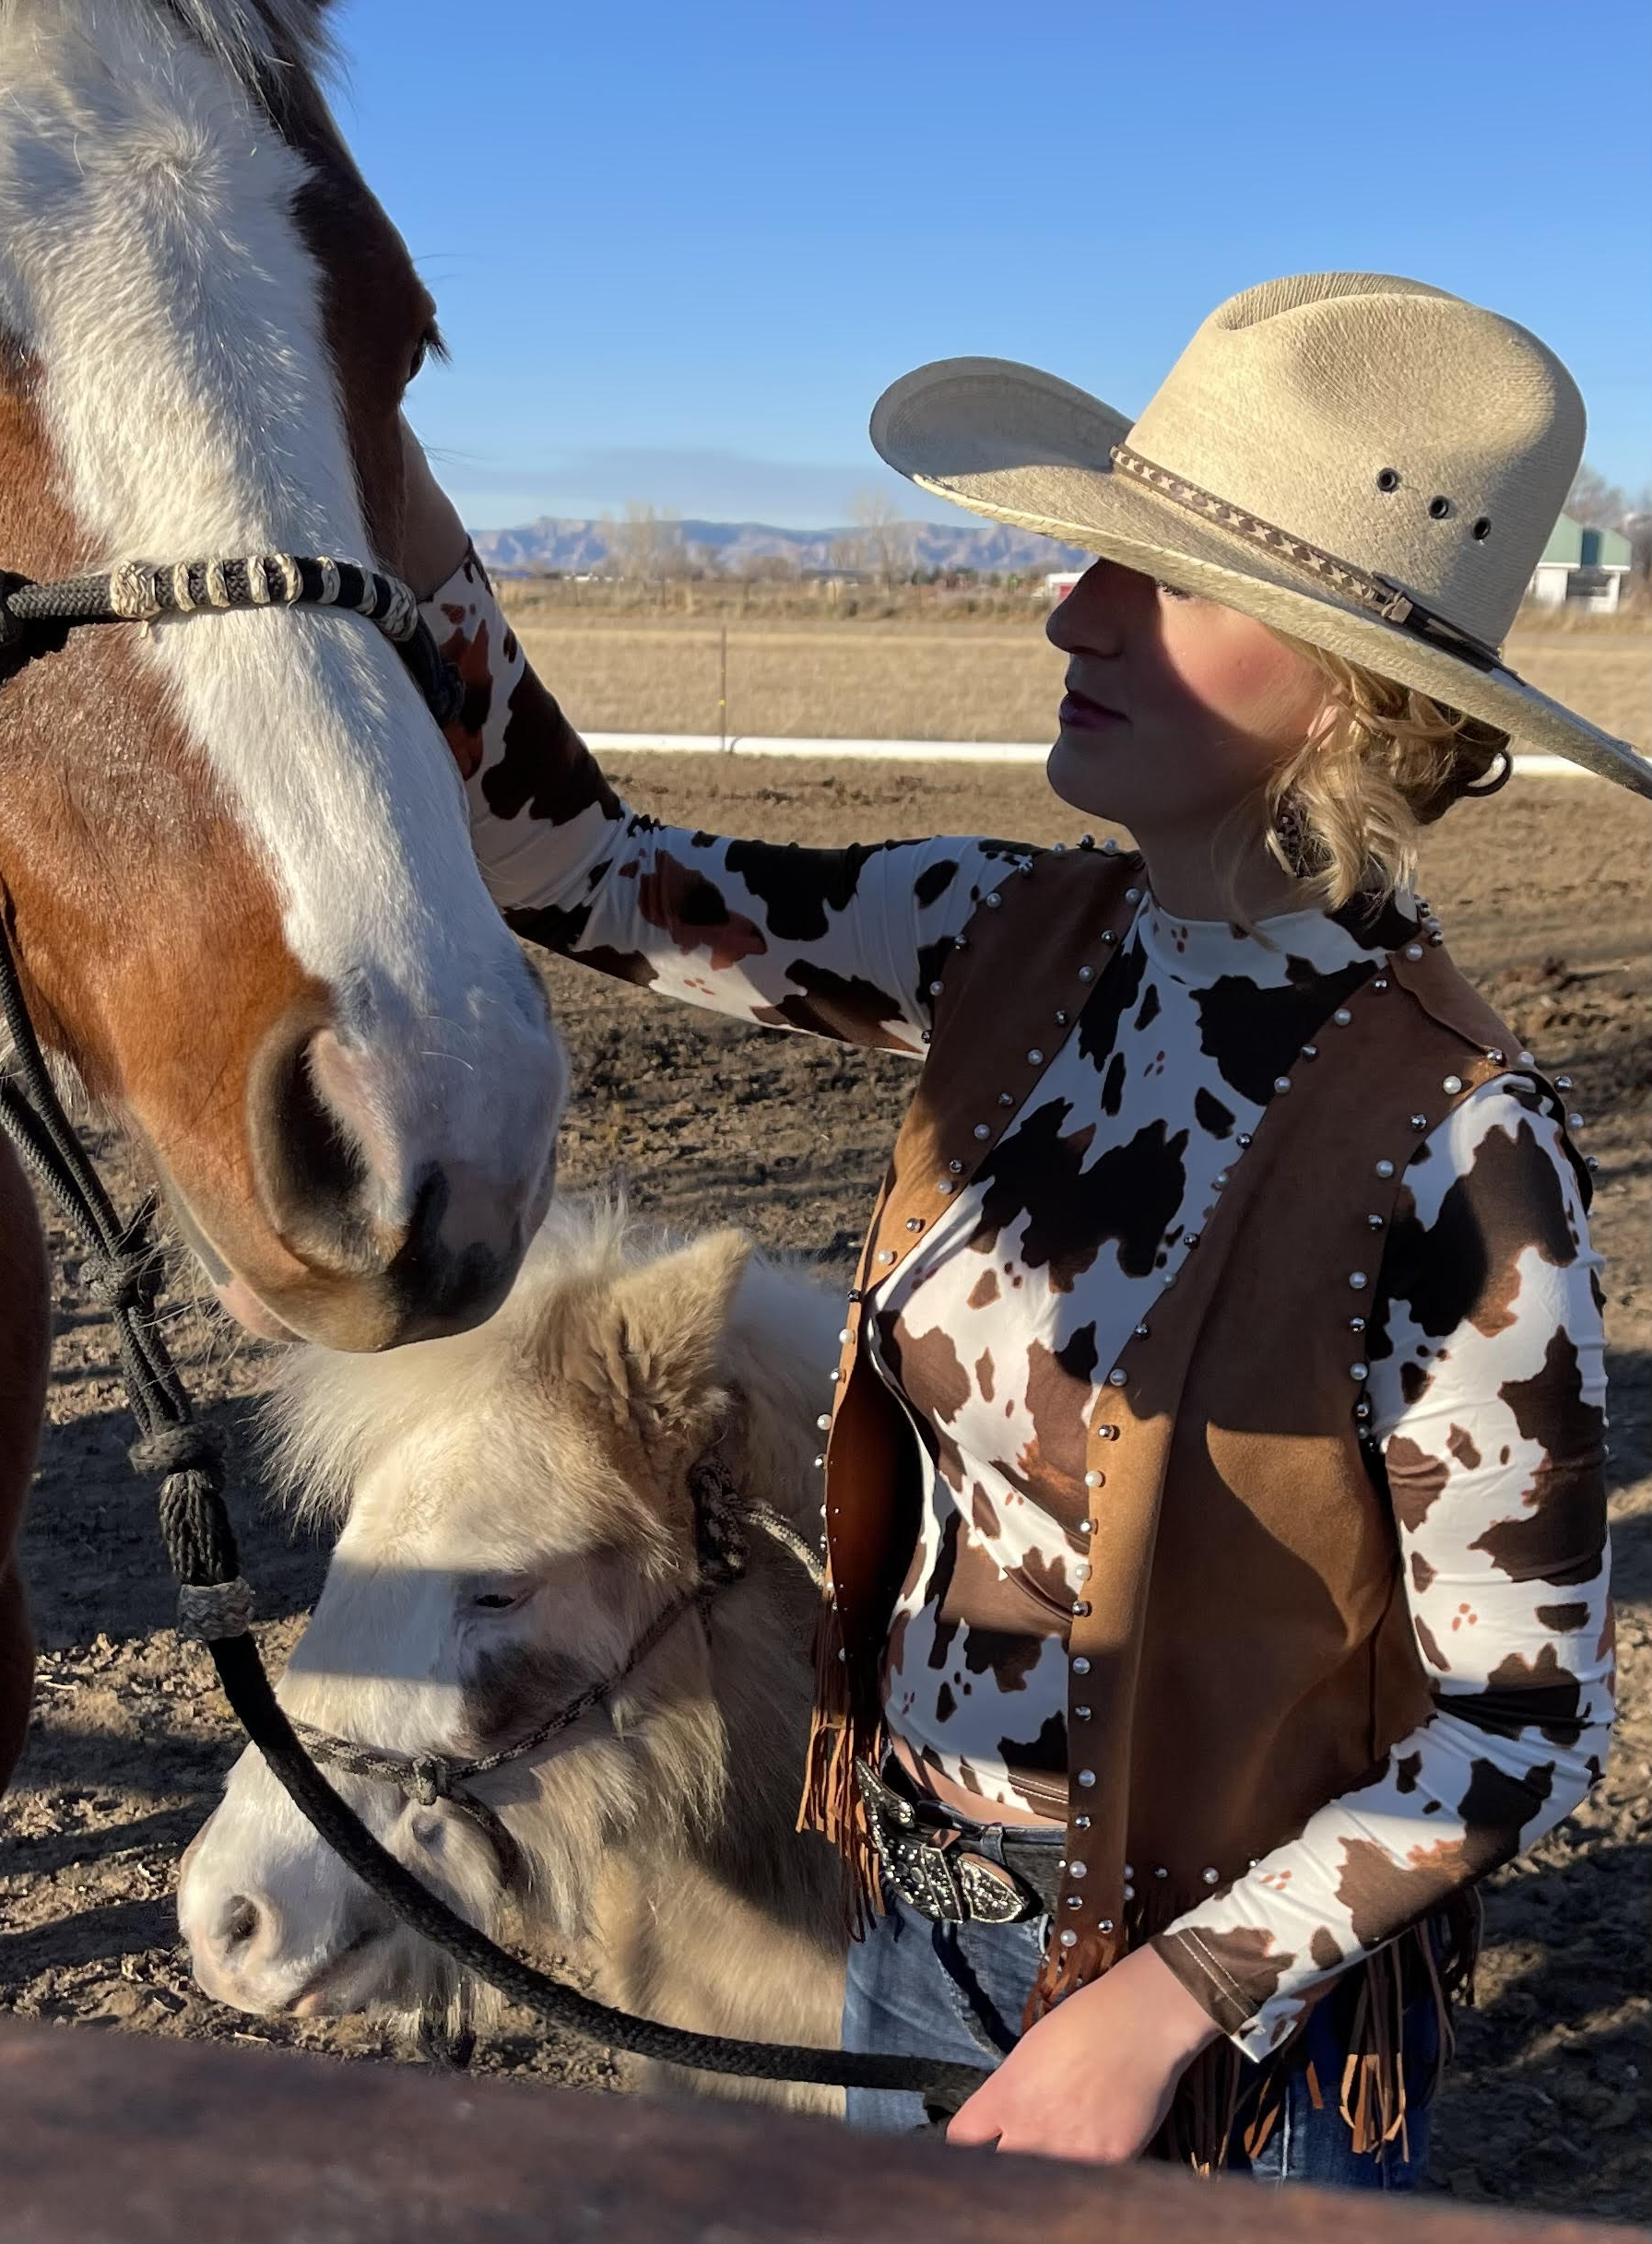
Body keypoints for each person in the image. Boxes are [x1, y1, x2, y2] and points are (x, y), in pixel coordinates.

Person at [398, 274, 1642, 2187]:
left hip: (1232, 2038)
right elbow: (578, 870)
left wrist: (1149, 2012)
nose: (1067, 609)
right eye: (1092, 562)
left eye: (1163, 581)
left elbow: (1522, 1710)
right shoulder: (1003, 934)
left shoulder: (1460, 1149)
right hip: (917, 1927)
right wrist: (387, 529)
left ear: (1354, 687)